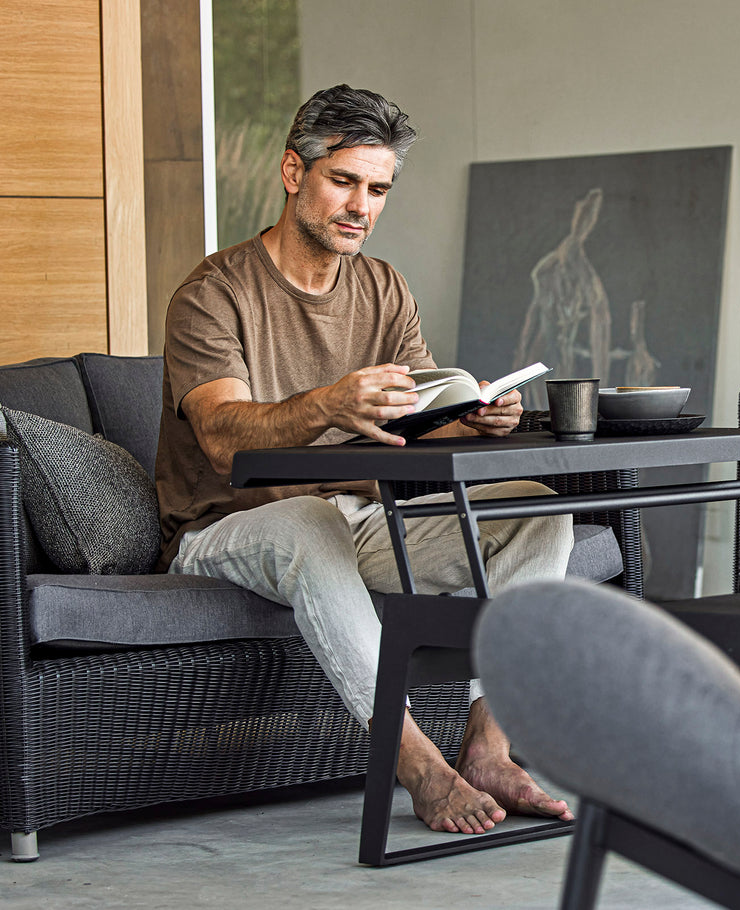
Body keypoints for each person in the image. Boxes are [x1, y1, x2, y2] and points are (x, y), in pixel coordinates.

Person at [154, 84, 576, 836]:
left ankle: (488, 745)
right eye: (343, 181)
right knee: (309, 521)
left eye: (378, 189)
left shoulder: (383, 287)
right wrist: (327, 404)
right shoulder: (213, 293)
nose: (361, 205)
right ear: (293, 173)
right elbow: (220, 434)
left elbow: (415, 423)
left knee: (539, 511)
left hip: (359, 517)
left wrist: (473, 422)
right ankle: (419, 766)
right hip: (225, 529)